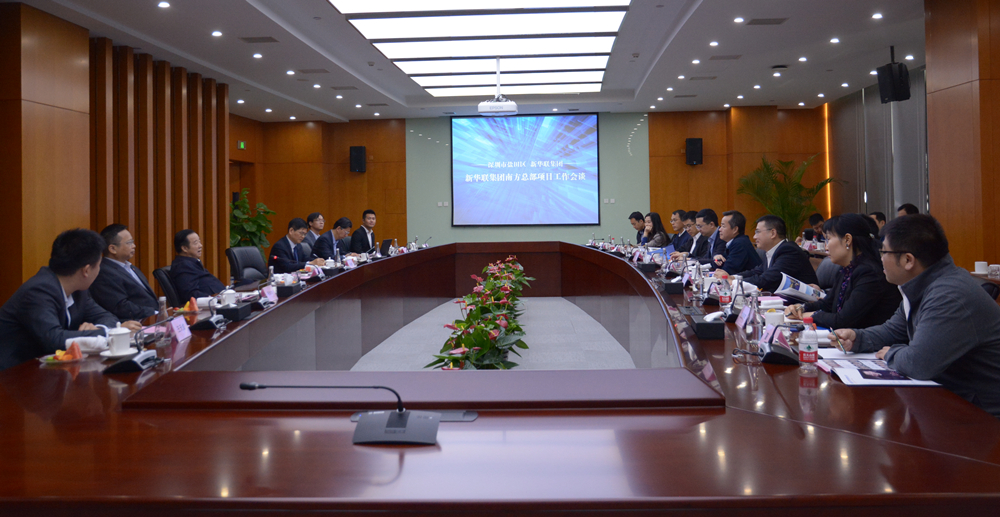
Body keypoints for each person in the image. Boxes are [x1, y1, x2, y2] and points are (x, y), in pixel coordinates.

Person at [833, 214, 1000, 418]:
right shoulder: (922, 284)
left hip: (982, 417)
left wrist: (892, 353)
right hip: (947, 401)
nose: (880, 258)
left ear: (908, 260)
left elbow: (919, 363)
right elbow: (893, 330)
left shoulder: (948, 295)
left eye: (884, 251)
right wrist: (857, 338)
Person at [0, 229, 141, 371]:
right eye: (99, 265)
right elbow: (54, 339)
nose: (99, 270)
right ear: (86, 270)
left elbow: (107, 317)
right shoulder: (38, 291)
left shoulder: (79, 290)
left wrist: (99, 328)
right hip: (13, 374)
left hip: (50, 370)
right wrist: (108, 333)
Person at [785, 214, 901, 329]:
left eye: (828, 239)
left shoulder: (870, 273)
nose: (826, 247)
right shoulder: (847, 269)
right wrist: (801, 308)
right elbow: (827, 304)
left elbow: (843, 320)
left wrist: (809, 316)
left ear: (847, 239)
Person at [88, 224, 158, 322]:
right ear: (113, 249)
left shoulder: (131, 267)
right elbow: (120, 306)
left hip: (152, 319)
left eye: (132, 242)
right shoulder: (104, 272)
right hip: (135, 323)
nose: (134, 246)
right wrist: (154, 313)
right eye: (129, 243)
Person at [735, 215, 818, 292]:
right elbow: (756, 272)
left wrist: (735, 282)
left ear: (773, 233)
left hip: (805, 301)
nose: (754, 237)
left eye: (757, 232)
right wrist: (733, 277)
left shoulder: (789, 251)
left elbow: (767, 280)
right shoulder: (771, 251)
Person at [170, 229, 225, 302]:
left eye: (199, 242)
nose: (200, 246)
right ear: (184, 248)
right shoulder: (183, 266)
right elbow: (191, 294)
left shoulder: (191, 263)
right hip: (211, 304)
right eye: (195, 243)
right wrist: (213, 298)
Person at [713, 210, 762, 274]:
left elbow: (726, 271)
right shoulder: (733, 242)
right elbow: (719, 265)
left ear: (735, 229)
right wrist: (716, 259)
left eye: (723, 226)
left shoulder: (740, 244)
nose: (719, 229)